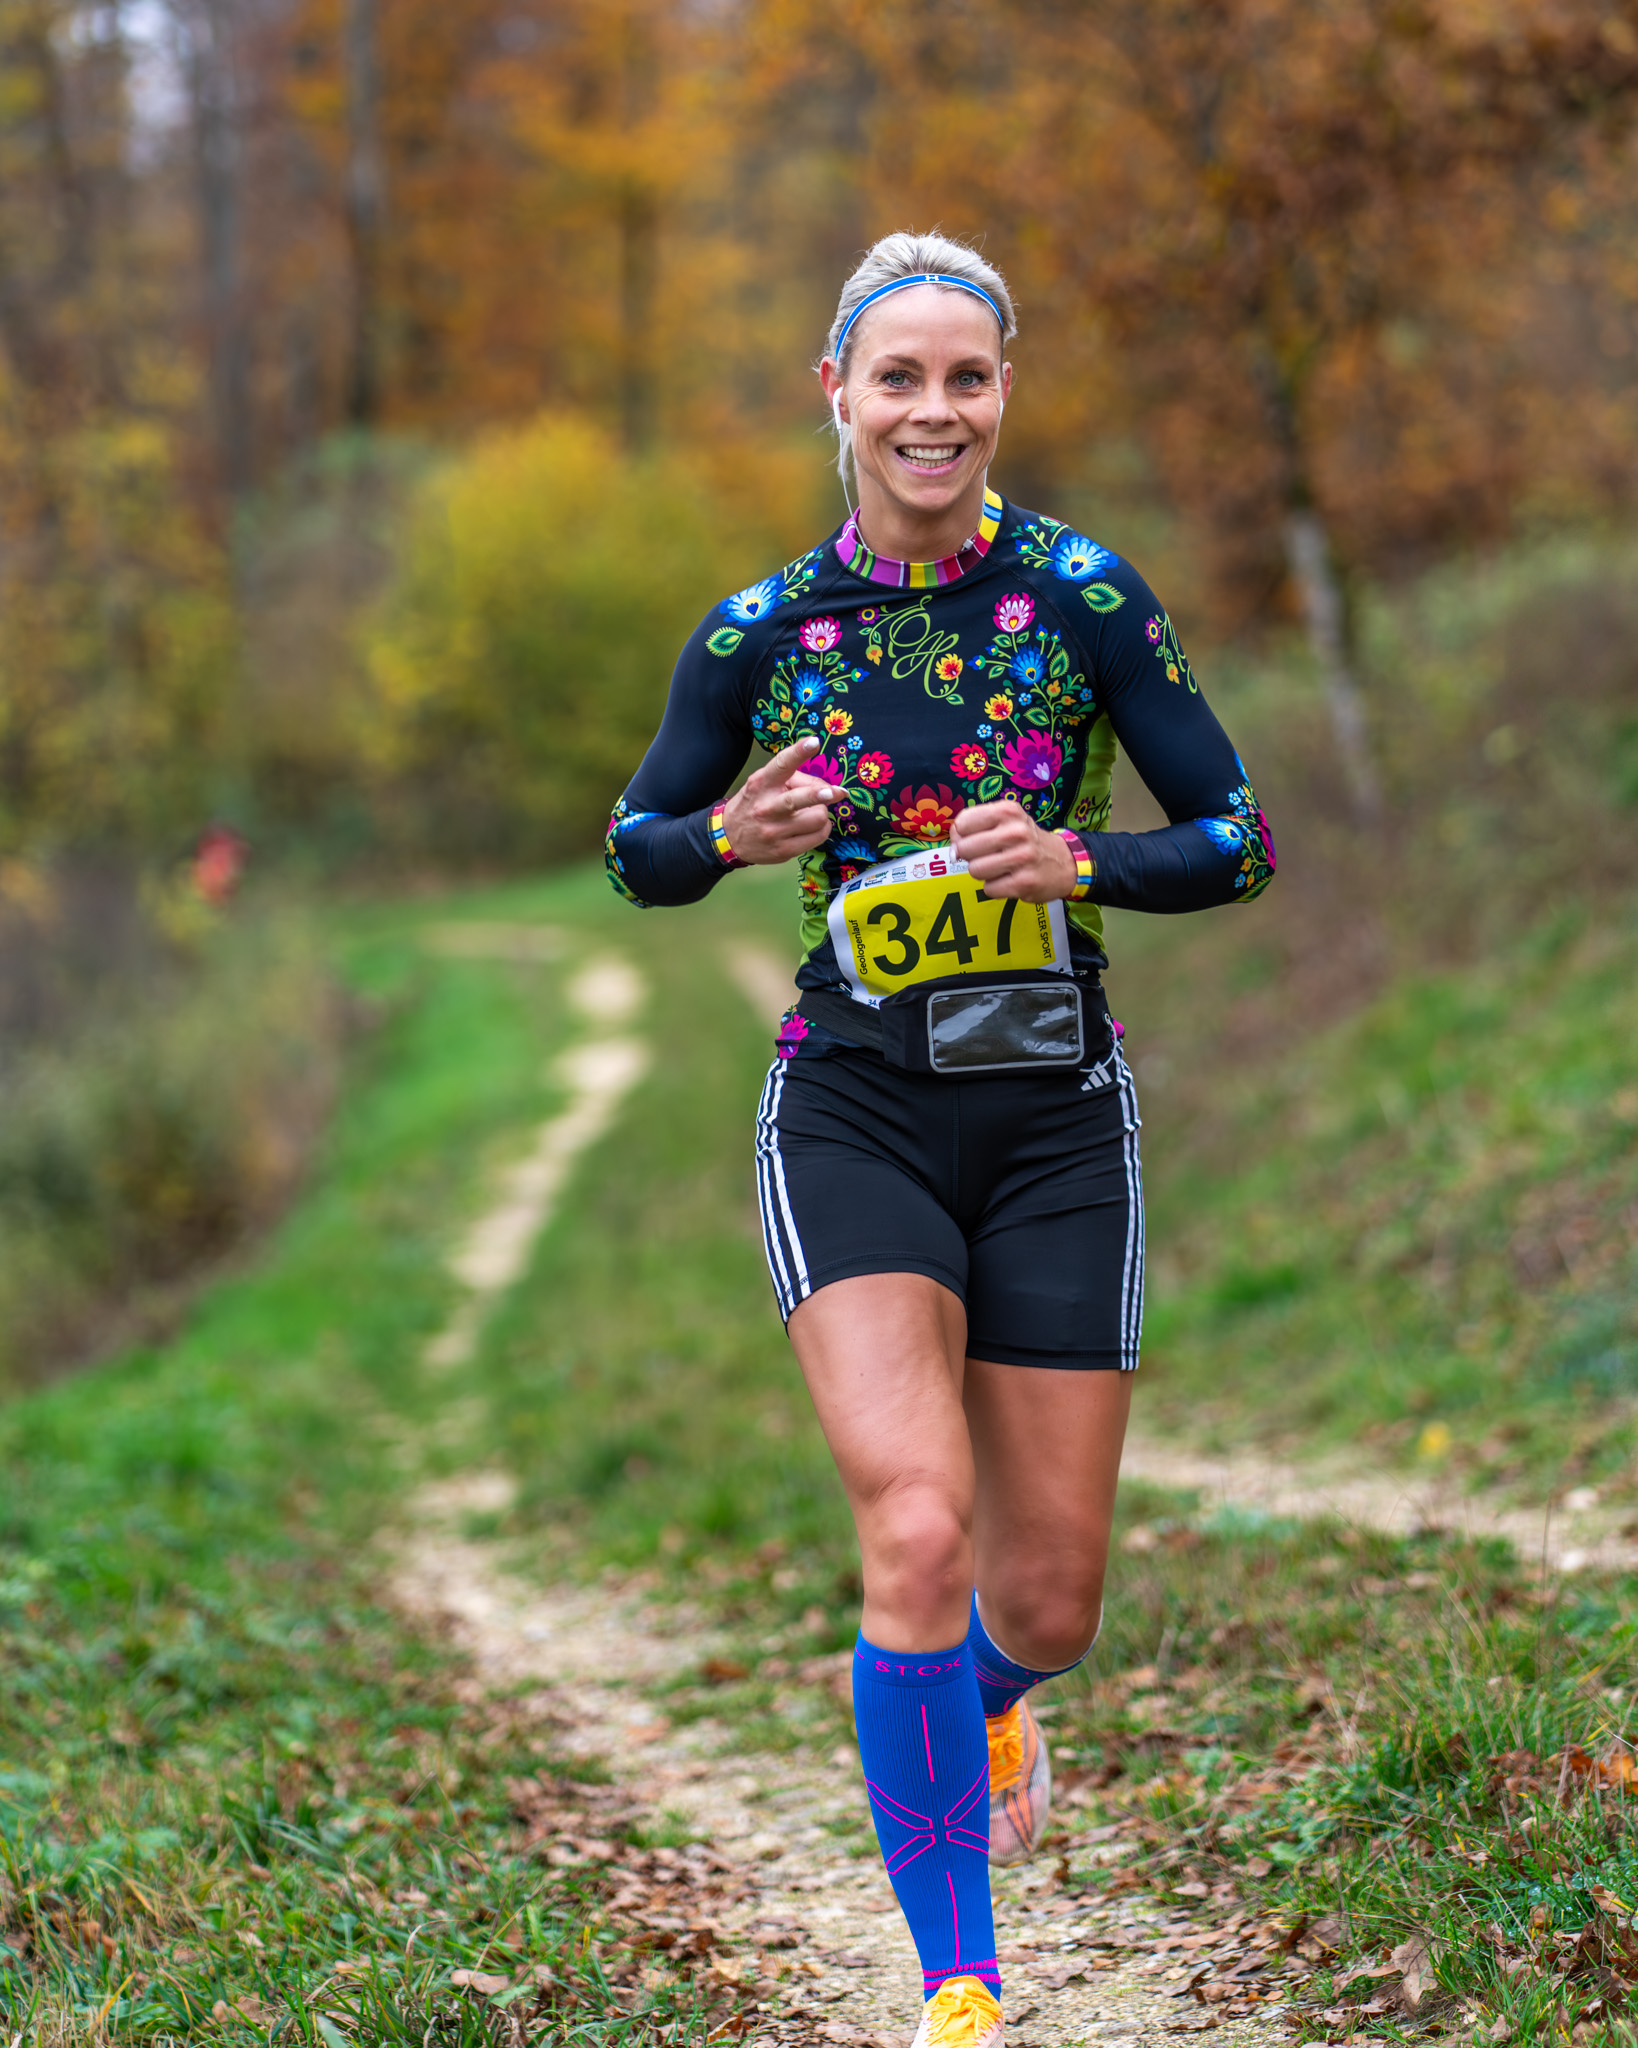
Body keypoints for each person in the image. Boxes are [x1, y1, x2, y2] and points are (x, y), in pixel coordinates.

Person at [606, 231, 1275, 2048]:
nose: (932, 410)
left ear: (1002, 393)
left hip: (1055, 1116)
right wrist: (727, 837)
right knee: (914, 1526)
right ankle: (959, 1984)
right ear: (835, 393)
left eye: (963, 377)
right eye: (895, 376)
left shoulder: (1082, 597)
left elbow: (1235, 840)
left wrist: (1076, 860)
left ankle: (986, 1699)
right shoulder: (756, 632)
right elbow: (634, 850)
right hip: (853, 1104)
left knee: (1044, 1596)